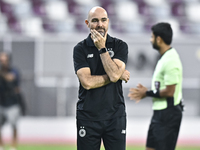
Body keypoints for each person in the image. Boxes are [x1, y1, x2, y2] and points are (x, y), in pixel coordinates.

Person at [73, 6, 130, 150]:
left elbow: (115, 75)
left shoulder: (120, 46)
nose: (100, 24)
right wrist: (115, 76)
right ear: (87, 23)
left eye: (103, 20)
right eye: (95, 21)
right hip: (88, 117)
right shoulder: (80, 49)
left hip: (115, 117)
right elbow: (87, 82)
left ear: (108, 22)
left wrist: (102, 49)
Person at [128, 22, 183, 150]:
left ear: (159, 39)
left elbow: (170, 91)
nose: (150, 40)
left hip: (168, 114)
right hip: (159, 113)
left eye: (152, 37)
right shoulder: (164, 58)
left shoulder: (171, 60)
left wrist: (147, 93)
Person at [0, 52, 25, 150]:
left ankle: (13, 147)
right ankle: (1, 146)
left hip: (12, 103)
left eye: (4, 61)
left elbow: (11, 78)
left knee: (14, 125)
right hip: (1, 102)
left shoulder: (14, 71)